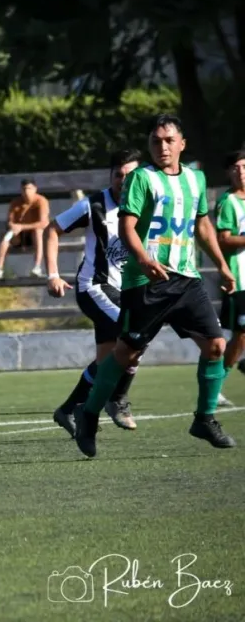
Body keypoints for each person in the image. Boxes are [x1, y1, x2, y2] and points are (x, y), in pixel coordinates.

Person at [73, 115, 237, 458]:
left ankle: (204, 419)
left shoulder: (195, 179)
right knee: (126, 354)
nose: (162, 146)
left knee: (216, 346)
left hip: (186, 279)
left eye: (168, 140)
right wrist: (144, 260)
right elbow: (127, 227)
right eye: (155, 141)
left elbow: (202, 225)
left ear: (182, 144)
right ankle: (88, 414)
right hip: (145, 281)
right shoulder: (141, 178)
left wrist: (221, 264)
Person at [46, 149, 142, 436]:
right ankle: (117, 399)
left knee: (107, 361)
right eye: (118, 175)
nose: (124, 181)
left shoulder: (146, 204)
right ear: (110, 176)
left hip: (124, 292)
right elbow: (52, 229)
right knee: (136, 335)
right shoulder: (93, 205)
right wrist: (53, 275)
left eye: (130, 175)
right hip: (94, 287)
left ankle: (68, 410)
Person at [215, 149, 245, 400]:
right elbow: (223, 239)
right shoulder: (228, 202)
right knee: (241, 334)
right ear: (229, 172)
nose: (241, 172)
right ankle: (216, 385)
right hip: (239, 279)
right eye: (236, 168)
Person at [0, 179, 50, 279]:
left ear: (35, 189)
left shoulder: (41, 201)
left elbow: (44, 223)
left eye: (29, 188)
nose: (26, 192)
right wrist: (12, 226)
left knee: (38, 232)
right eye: (24, 189)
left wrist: (22, 227)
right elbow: (9, 221)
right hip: (19, 236)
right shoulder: (15, 202)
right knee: (4, 235)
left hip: (35, 237)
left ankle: (37, 267)